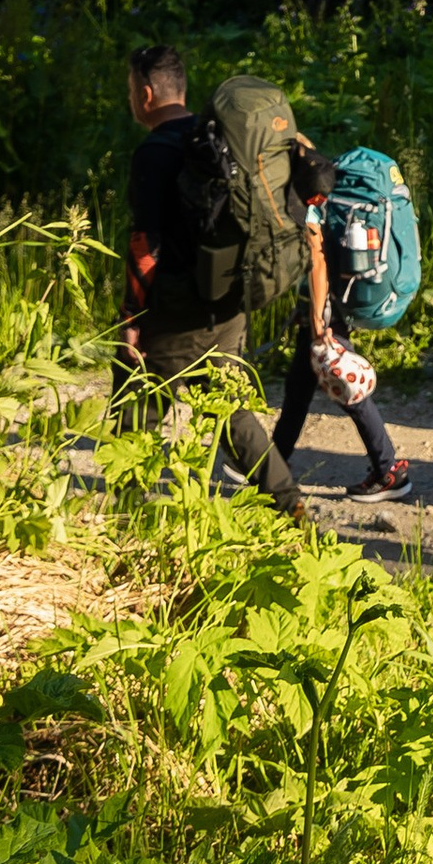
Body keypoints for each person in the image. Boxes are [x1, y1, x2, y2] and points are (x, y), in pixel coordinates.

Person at [116, 41, 305, 518]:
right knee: (228, 406)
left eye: (130, 90)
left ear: (144, 93)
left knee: (137, 400)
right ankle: (289, 505)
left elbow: (145, 245)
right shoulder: (214, 141)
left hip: (179, 307)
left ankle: (127, 516)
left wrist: (131, 318)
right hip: (229, 299)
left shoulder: (154, 152)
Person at [268, 145, 412, 502]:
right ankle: (271, 465)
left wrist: (318, 318)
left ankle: (388, 470)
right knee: (299, 389)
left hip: (325, 310)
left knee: (349, 391)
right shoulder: (319, 188)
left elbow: (316, 260)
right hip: (326, 308)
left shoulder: (308, 202)